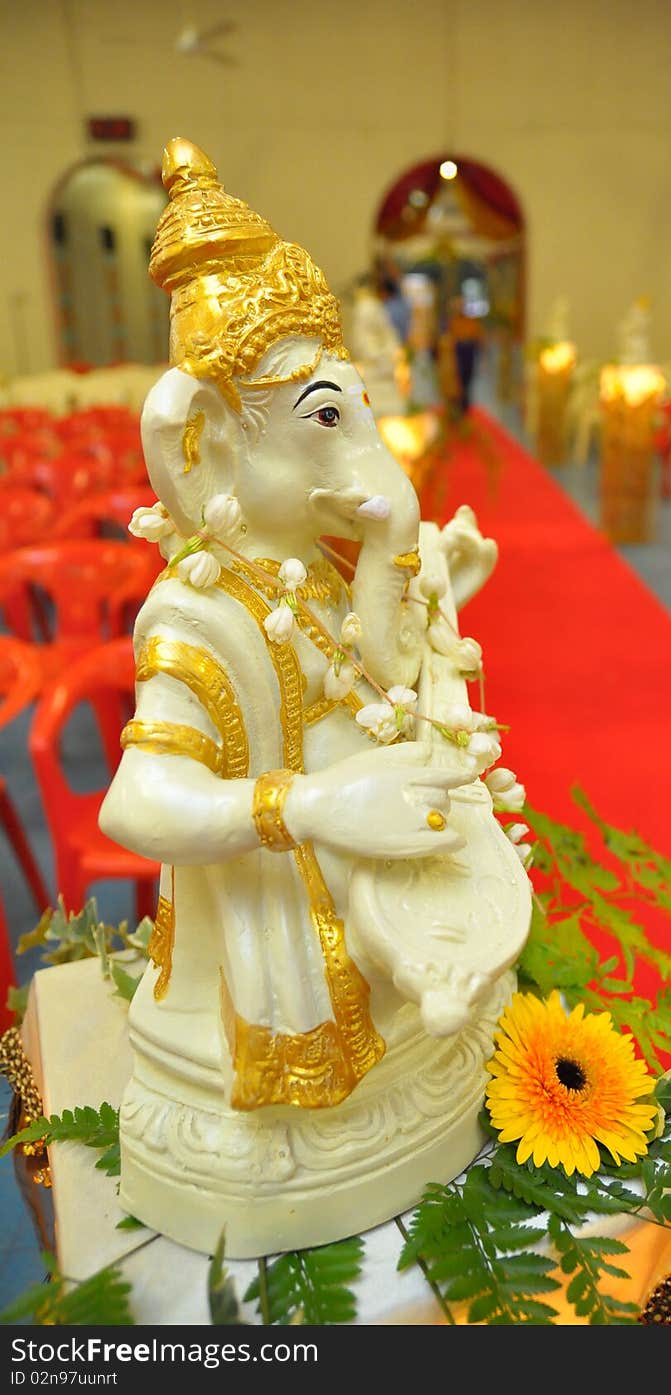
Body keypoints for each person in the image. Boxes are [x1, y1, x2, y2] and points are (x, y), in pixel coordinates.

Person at [99, 137, 530, 1257]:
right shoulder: (197, 614)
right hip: (272, 920)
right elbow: (138, 802)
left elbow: (384, 681)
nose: (361, 457)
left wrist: (421, 578)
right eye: (322, 422)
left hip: (375, 887)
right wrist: (310, 809)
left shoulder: (318, 569)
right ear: (213, 445)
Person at [445, 294, 486, 415]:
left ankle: (465, 406)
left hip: (469, 351)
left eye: (461, 305)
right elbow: (448, 338)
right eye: (457, 305)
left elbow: (479, 337)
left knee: (467, 379)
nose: (459, 308)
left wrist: (481, 352)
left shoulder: (472, 321)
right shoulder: (451, 321)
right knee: (457, 379)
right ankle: (455, 404)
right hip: (456, 351)